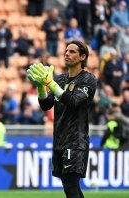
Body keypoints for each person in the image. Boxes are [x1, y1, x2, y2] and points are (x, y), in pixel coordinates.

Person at [27, 40, 97, 198]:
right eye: (66, 51)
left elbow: (73, 102)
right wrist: (40, 87)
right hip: (59, 138)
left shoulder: (88, 79)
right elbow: (46, 105)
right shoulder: (60, 80)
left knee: (70, 184)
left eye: (72, 51)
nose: (67, 53)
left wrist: (50, 83)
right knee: (70, 185)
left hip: (76, 139)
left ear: (82, 57)